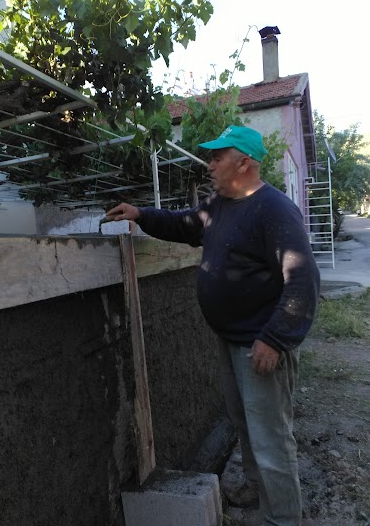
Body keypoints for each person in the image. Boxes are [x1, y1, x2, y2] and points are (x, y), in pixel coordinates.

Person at [107, 125, 320, 526]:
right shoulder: (219, 206)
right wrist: (140, 214)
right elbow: (184, 224)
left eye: (217, 158)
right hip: (232, 340)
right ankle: (259, 489)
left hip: (260, 345)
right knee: (246, 425)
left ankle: (284, 518)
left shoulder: (273, 209)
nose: (209, 165)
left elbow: (304, 281)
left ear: (244, 163)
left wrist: (274, 339)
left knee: (271, 437)